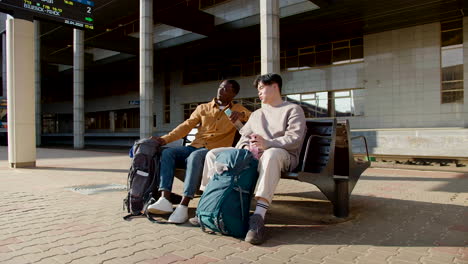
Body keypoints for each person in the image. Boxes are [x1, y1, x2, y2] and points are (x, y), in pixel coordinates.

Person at [198, 73, 306, 244]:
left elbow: (295, 139)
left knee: (271, 154)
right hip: (254, 154)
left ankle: (258, 218)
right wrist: (245, 149)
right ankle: (210, 203)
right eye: (258, 89)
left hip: (282, 154)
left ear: (275, 86)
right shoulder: (256, 114)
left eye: (262, 88)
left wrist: (268, 144)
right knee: (213, 154)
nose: (259, 92)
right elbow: (243, 138)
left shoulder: (292, 110)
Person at [147, 80, 251, 224]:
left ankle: (184, 205)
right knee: (167, 153)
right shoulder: (203, 108)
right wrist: (164, 140)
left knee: (195, 157)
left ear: (234, 94)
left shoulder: (237, 109)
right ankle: (165, 199)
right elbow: (186, 126)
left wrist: (241, 115)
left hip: (213, 152)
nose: (221, 91)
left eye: (226, 89)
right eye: (220, 87)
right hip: (194, 146)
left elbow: (253, 117)